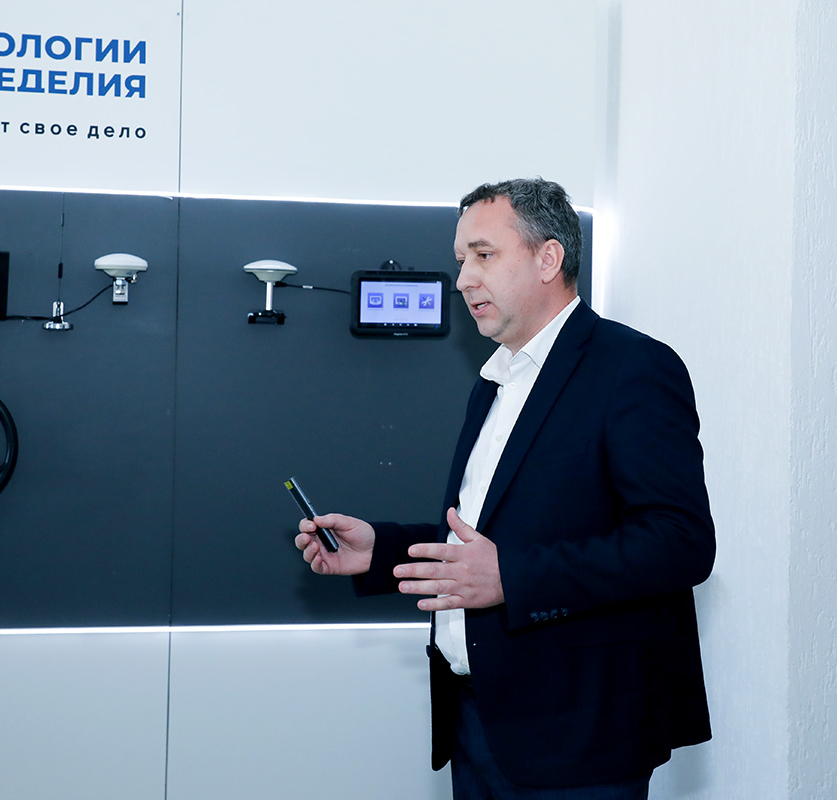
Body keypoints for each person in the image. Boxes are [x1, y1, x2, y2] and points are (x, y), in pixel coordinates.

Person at [296, 178, 714, 799]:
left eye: (483, 255)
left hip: (579, 739)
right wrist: (380, 552)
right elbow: (490, 540)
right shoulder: (495, 381)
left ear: (548, 259)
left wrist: (512, 578)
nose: (463, 278)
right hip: (476, 721)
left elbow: (680, 544)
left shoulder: (633, 368)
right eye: (460, 259)